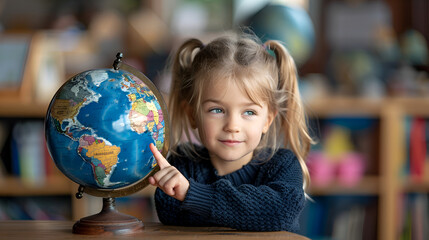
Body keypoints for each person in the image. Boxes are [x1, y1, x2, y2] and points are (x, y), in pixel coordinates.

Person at [148, 30, 313, 233]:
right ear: (192, 115)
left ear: (267, 120)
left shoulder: (282, 166)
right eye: (217, 110)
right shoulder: (182, 164)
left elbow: (280, 212)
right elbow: (170, 212)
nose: (232, 126)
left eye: (249, 112)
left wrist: (192, 195)